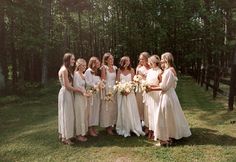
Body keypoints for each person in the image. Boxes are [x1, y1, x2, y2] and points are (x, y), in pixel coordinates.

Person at [153, 52, 191, 146]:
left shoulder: (169, 71)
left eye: (162, 58)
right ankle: (170, 135)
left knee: (166, 116)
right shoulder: (168, 70)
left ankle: (168, 136)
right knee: (170, 115)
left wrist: (150, 89)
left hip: (167, 96)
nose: (160, 60)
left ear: (166, 59)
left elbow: (164, 87)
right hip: (169, 95)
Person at [116, 56, 145, 137]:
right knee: (123, 109)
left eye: (129, 60)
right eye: (127, 60)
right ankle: (124, 127)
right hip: (122, 93)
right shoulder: (119, 70)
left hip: (130, 93)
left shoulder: (132, 70)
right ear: (123, 62)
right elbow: (117, 81)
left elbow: (134, 82)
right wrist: (122, 89)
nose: (129, 62)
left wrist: (129, 89)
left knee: (131, 109)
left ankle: (133, 126)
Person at [58, 53, 80, 145]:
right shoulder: (64, 70)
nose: (74, 61)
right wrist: (78, 90)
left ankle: (67, 134)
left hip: (69, 93)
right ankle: (65, 138)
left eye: (74, 59)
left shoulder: (67, 69)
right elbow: (67, 86)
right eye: (72, 59)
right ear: (67, 60)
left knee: (69, 114)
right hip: (66, 93)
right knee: (66, 114)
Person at [143, 55, 162, 140]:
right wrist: (145, 86)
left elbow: (161, 85)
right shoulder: (149, 71)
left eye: (150, 62)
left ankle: (155, 131)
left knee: (155, 113)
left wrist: (151, 87)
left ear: (155, 62)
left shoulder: (160, 71)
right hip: (148, 94)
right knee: (149, 113)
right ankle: (150, 130)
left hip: (155, 94)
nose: (149, 63)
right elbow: (146, 81)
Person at [73, 58, 91, 142]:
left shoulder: (83, 75)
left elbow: (86, 86)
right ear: (78, 66)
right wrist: (83, 92)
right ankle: (78, 134)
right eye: (83, 65)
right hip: (79, 97)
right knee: (79, 115)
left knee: (84, 114)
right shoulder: (76, 74)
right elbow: (76, 86)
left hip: (84, 97)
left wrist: (88, 91)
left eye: (85, 65)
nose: (84, 67)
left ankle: (83, 132)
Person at [100, 53, 117, 135]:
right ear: (106, 60)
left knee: (114, 108)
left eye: (112, 58)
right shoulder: (104, 68)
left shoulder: (114, 68)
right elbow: (103, 80)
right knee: (107, 108)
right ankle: (108, 127)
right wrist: (106, 91)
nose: (112, 60)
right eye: (110, 59)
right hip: (107, 89)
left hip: (114, 89)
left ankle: (113, 124)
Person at [84, 56, 102, 137]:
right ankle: (90, 129)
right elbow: (88, 83)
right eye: (97, 62)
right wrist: (95, 86)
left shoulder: (97, 71)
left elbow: (99, 81)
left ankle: (94, 127)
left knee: (95, 111)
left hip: (97, 94)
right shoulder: (88, 71)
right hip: (91, 94)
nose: (99, 64)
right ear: (93, 63)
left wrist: (101, 84)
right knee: (90, 112)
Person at [136, 52, 150, 134]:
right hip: (140, 90)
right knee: (140, 106)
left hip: (149, 90)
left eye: (142, 59)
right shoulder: (139, 68)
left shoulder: (152, 68)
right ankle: (141, 125)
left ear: (147, 59)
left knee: (147, 108)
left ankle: (148, 126)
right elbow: (136, 79)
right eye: (140, 59)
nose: (141, 60)